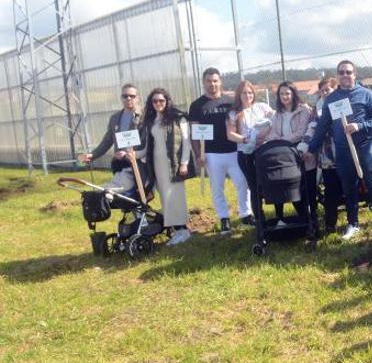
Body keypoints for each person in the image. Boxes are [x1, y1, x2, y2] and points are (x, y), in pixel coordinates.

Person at [307, 61, 372, 240]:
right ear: (337, 76)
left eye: (348, 72)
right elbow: (322, 127)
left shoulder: (366, 95)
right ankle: (353, 224)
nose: (345, 75)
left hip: (365, 147)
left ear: (355, 74)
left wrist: (358, 126)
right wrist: (311, 149)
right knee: (349, 188)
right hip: (343, 151)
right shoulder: (332, 99)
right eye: (341, 72)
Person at [189, 68, 253, 234]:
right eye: (209, 81)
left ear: (220, 82)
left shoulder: (230, 101)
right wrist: (198, 155)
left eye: (215, 81)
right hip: (211, 153)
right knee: (217, 187)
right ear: (204, 83)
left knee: (242, 182)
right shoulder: (197, 105)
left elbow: (244, 115)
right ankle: (224, 218)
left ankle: (246, 214)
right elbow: (194, 133)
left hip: (233, 150)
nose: (212, 84)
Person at [140, 88, 194, 245]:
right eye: (155, 101)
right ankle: (175, 230)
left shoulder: (178, 118)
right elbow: (148, 146)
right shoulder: (151, 121)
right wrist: (131, 154)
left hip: (174, 165)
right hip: (158, 166)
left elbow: (186, 142)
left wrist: (184, 163)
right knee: (165, 197)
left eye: (161, 100)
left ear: (167, 101)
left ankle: (183, 230)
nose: (158, 103)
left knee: (176, 196)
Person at [264, 81, 314, 225]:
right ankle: (280, 218)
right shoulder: (277, 114)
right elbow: (271, 133)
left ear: (293, 94)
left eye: (287, 93)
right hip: (283, 154)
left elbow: (301, 132)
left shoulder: (303, 110)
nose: (284, 96)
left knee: (300, 188)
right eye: (281, 94)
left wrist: (281, 141)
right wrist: (278, 141)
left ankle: (308, 217)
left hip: (299, 151)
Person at [78, 83, 144, 191]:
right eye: (125, 96)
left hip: (139, 164)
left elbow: (148, 141)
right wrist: (92, 155)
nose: (128, 98)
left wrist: (132, 154)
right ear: (121, 98)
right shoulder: (115, 118)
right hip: (120, 163)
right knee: (123, 196)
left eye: (132, 96)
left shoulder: (145, 116)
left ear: (138, 98)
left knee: (139, 194)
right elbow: (107, 141)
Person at [226, 80, 274, 227]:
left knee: (268, 184)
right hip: (246, 154)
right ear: (239, 95)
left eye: (250, 92)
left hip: (264, 152)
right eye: (244, 93)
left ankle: (277, 216)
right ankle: (260, 220)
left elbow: (276, 118)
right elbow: (230, 135)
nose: (247, 95)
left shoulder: (262, 107)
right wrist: (246, 140)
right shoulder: (234, 113)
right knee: (254, 187)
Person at [303, 77, 344, 236]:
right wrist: (306, 148)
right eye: (323, 90)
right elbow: (312, 129)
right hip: (327, 156)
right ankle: (330, 223)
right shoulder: (317, 110)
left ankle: (352, 222)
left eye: (328, 90)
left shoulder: (341, 104)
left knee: (348, 189)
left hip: (344, 154)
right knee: (330, 191)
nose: (325, 93)